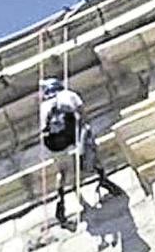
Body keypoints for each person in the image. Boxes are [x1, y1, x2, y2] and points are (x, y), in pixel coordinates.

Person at [39, 78, 124, 222]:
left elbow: (43, 128)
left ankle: (61, 201)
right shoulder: (69, 94)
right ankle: (103, 179)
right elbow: (82, 114)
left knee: (61, 171)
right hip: (72, 136)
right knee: (93, 154)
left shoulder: (44, 106)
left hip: (54, 143)